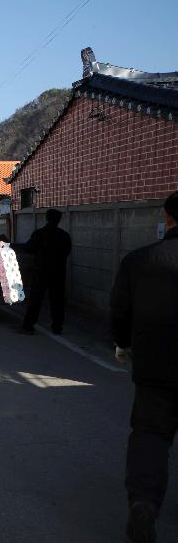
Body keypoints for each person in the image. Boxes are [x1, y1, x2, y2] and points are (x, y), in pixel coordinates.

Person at [111, 191, 178, 543]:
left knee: (150, 437)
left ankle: (143, 503)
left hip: (155, 366)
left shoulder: (140, 261)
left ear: (167, 217)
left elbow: (119, 311)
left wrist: (123, 344)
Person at [20, 208, 72, 335]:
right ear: (59, 220)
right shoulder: (64, 235)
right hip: (58, 272)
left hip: (41, 271)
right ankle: (57, 327)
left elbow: (29, 249)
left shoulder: (39, 233)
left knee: (36, 299)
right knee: (57, 301)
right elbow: (67, 252)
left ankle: (28, 325)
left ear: (46, 218)